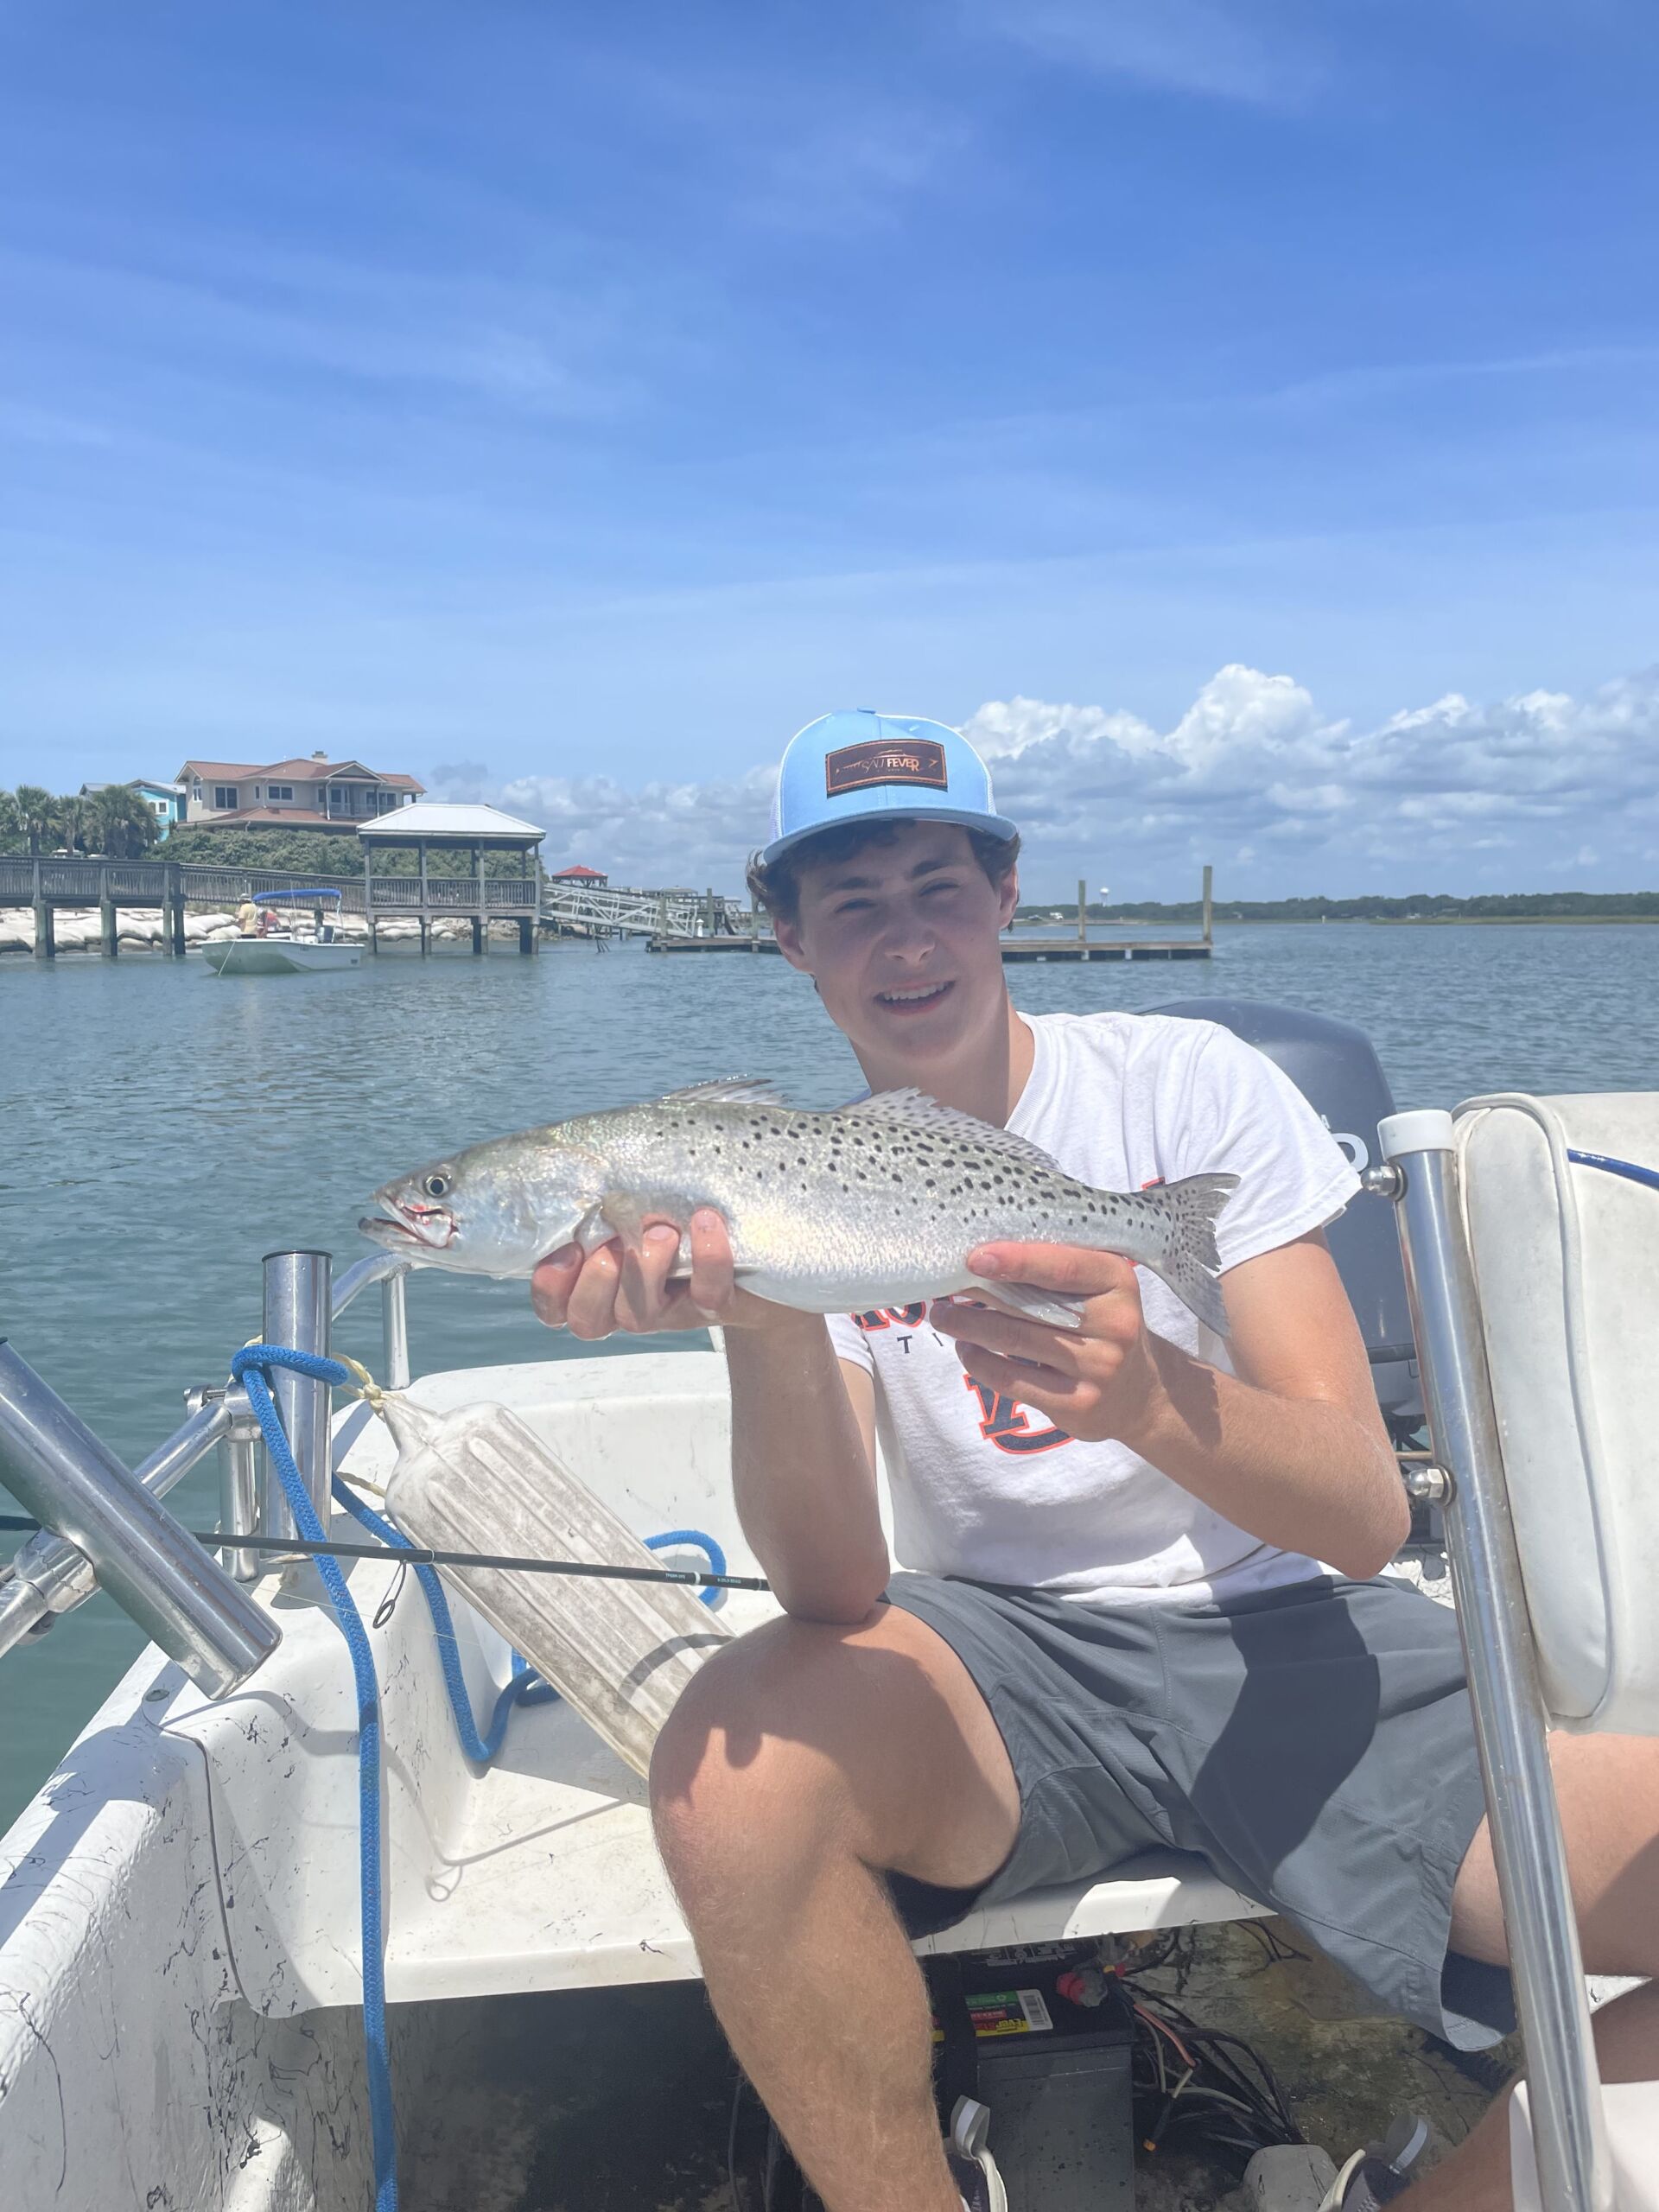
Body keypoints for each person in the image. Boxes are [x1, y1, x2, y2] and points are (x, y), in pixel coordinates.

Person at [531, 711, 1659, 2212]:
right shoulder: (791, 1186)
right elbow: (834, 1589)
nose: (906, 938)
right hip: (999, 1659)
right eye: (852, 903)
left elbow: (1363, 1512)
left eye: (939, 888)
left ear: (1006, 897)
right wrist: (767, 1321)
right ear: (789, 938)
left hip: (1291, 1634)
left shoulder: (1186, 1086)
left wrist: (1149, 1401)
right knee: (727, 1780)